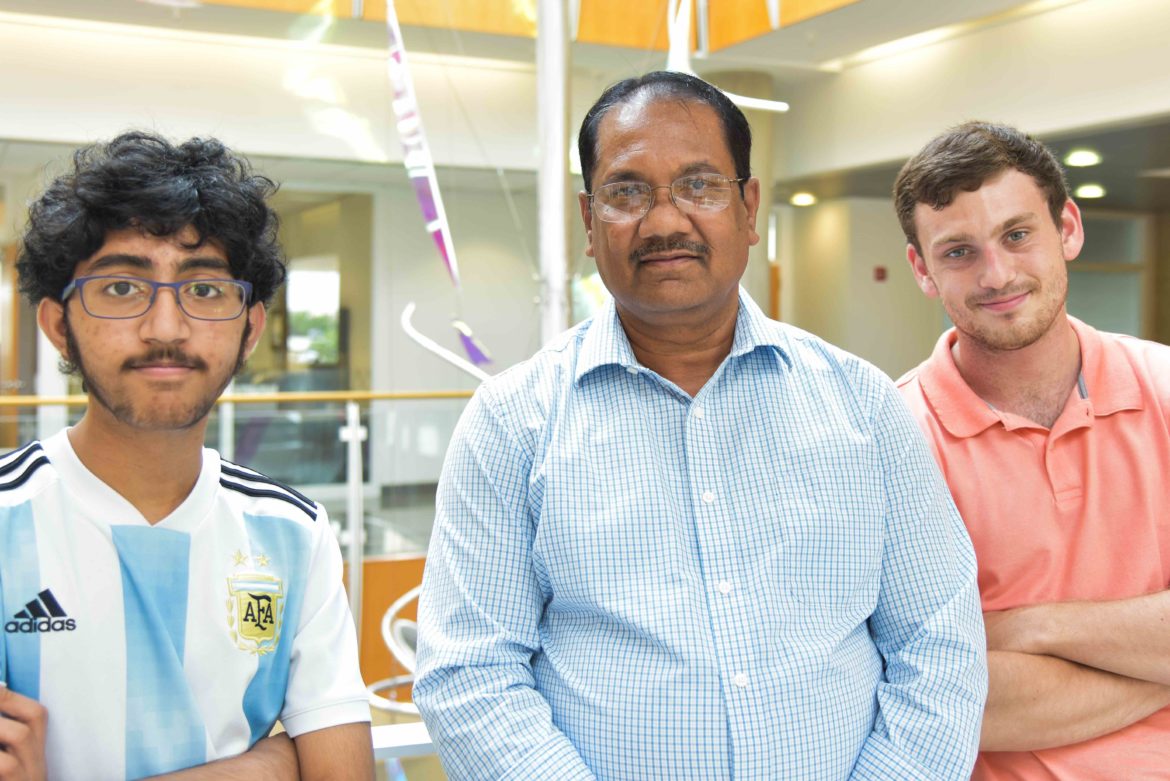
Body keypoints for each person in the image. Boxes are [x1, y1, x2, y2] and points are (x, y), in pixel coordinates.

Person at [414, 71, 986, 780]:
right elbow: (471, 674)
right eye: (626, 192)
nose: (663, 222)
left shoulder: (864, 407)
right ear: (589, 222)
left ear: (748, 208)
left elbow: (939, 646)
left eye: (698, 185)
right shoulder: (511, 424)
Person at [0, 131, 374, 780]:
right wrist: (269, 765)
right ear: (59, 324)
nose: (166, 328)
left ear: (250, 326)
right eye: (121, 288)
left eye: (204, 290)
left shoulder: (293, 533)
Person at [894, 121, 1170, 779]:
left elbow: (977, 667)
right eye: (958, 251)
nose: (997, 274)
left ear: (1067, 228)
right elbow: (947, 699)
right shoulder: (893, 438)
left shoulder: (1166, 389)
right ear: (921, 270)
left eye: (1017, 235)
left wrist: (1028, 628)